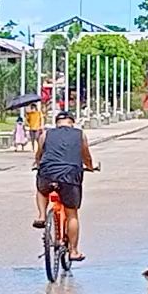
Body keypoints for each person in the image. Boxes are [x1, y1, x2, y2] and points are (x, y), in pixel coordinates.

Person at [33, 111, 97, 261]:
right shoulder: (80, 135)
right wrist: (90, 166)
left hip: (48, 172)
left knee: (42, 190)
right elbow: (86, 155)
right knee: (71, 214)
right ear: (72, 123)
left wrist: (37, 164)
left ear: (57, 123)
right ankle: (73, 251)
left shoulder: (45, 134)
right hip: (70, 175)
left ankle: (41, 216)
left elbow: (39, 154)